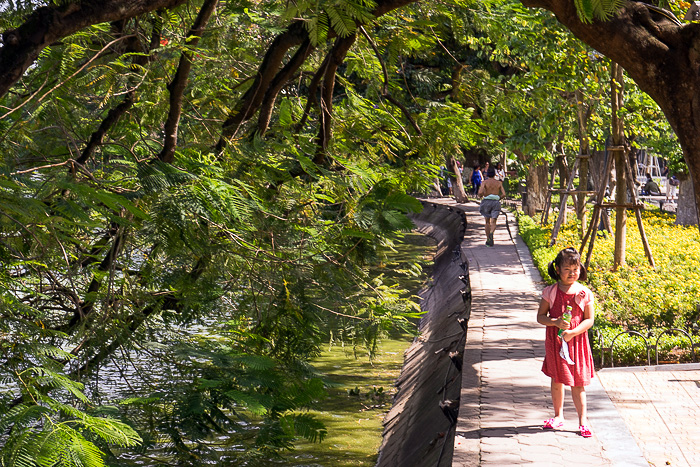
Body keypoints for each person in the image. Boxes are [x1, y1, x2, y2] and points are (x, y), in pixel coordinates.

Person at [537, 247, 595, 438]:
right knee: (557, 379)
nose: (572, 273)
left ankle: (582, 421)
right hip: (556, 343)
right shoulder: (550, 292)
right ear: (558, 270)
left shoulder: (584, 293)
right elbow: (540, 317)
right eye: (567, 270)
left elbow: (589, 320)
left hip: (576, 344)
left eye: (575, 269)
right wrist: (554, 322)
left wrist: (573, 332)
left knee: (578, 383)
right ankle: (558, 416)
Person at [477, 166, 506, 247]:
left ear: (487, 174)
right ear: (495, 174)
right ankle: (491, 233)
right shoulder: (499, 183)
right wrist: (498, 198)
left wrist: (481, 195)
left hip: (486, 201)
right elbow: (504, 194)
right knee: (494, 221)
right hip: (496, 202)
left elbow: (480, 192)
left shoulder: (484, 182)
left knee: (487, 222)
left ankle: (488, 239)